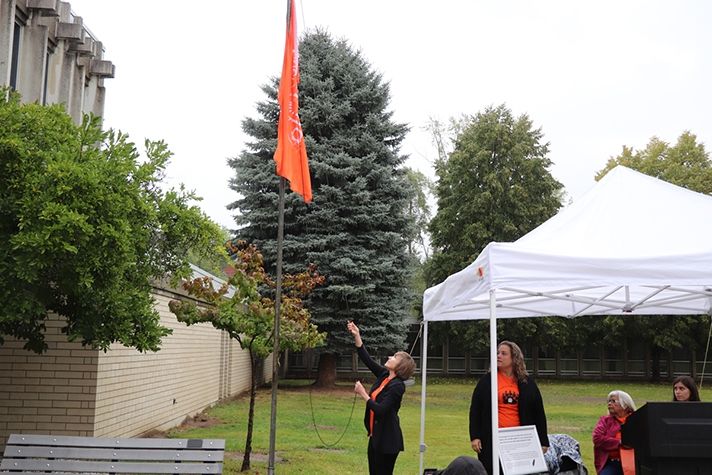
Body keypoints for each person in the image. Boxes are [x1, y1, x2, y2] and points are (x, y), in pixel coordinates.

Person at [469, 341, 548, 475]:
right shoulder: (487, 381)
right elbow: (475, 410)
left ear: (514, 358)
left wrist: (543, 441)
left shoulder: (527, 382)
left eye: (503, 353)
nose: (498, 356)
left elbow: (538, 412)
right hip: (493, 438)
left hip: (520, 439)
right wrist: (475, 436)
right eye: (497, 353)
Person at [347, 321, 416, 475]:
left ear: (400, 366)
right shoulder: (385, 375)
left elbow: (382, 410)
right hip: (376, 437)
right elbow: (367, 360)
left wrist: (363, 393)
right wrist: (357, 335)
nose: (390, 357)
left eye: (394, 357)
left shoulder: (398, 386)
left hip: (388, 441)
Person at [592, 390, 636, 475]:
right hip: (612, 463)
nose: (609, 403)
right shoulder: (605, 421)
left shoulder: (636, 419)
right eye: (609, 401)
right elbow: (597, 439)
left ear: (625, 404)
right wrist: (620, 442)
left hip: (633, 462)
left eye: (613, 401)